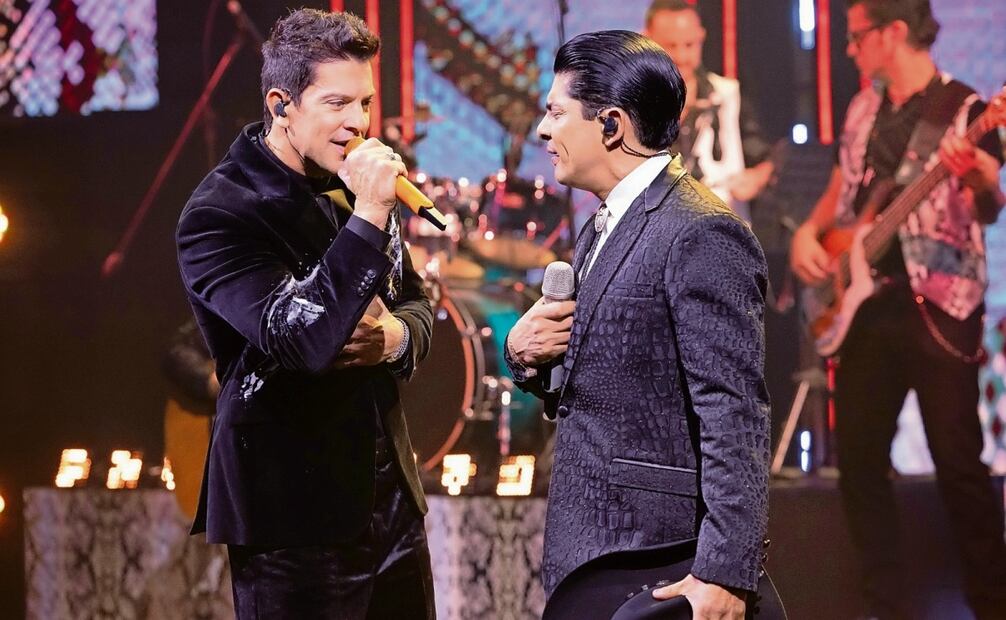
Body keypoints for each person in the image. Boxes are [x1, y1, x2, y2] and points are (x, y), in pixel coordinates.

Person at [175, 9, 435, 619]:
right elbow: (303, 339)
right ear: (281, 105)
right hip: (291, 517)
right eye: (337, 103)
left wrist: (396, 339)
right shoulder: (220, 212)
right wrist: (368, 215)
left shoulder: (355, 182)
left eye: (364, 103)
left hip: (391, 503)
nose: (358, 123)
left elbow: (416, 303)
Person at [505, 30, 771, 618]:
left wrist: (724, 574)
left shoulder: (701, 231)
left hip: (657, 561)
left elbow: (734, 412)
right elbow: (604, 378)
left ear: (611, 125)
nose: (543, 130)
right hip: (591, 553)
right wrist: (526, 356)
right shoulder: (604, 223)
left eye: (556, 112)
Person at [789, 1, 1006, 617]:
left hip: (940, 303)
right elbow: (844, 190)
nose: (850, 49)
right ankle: (884, 602)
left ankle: (992, 602)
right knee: (859, 461)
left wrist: (979, 177)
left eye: (858, 37)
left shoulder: (967, 110)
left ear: (894, 33)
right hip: (866, 306)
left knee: (958, 463)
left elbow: (990, 205)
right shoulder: (863, 107)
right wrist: (808, 232)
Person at [643, 0, 775, 222]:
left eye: (689, 45)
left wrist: (755, 179)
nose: (682, 57)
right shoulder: (632, 105)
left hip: (721, 232)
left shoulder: (727, 95)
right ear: (646, 41)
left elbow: (765, 161)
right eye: (670, 46)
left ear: (701, 37)